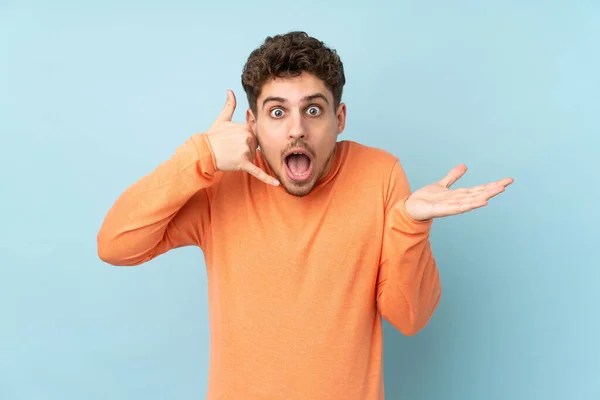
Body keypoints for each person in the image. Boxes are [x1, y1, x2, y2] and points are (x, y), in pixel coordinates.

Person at [97, 31, 513, 399]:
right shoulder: (220, 185)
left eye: (313, 110)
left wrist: (412, 226)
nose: (297, 129)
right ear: (252, 124)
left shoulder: (380, 175)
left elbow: (409, 317)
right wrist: (199, 156)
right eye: (277, 112)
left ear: (340, 119)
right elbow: (115, 246)